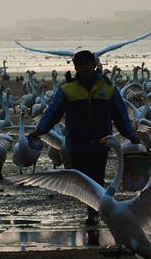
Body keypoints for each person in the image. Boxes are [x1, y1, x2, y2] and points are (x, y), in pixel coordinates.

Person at [28, 50, 141, 226]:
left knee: (97, 177)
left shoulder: (108, 88)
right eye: (81, 64)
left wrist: (131, 135)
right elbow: (53, 112)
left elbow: (120, 115)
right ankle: (94, 209)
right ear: (75, 66)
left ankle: (94, 213)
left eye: (88, 63)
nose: (85, 67)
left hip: (100, 142)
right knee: (83, 178)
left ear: (94, 64)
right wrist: (40, 130)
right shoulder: (67, 90)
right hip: (77, 142)